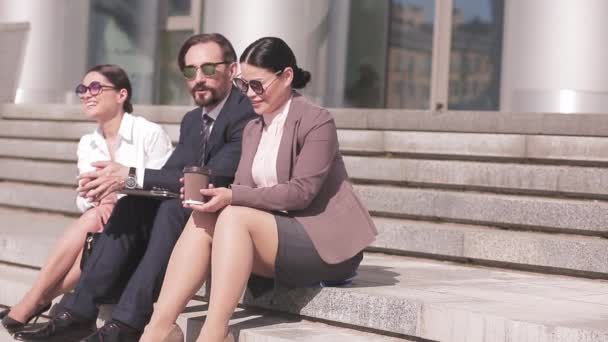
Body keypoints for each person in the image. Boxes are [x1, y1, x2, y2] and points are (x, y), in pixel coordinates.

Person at [14, 33, 256, 342]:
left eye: (209, 69)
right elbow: (172, 173)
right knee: (132, 203)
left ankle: (127, 324)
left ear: (233, 69)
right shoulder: (194, 120)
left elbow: (213, 178)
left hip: (237, 215)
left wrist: (128, 175)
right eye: (189, 71)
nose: (198, 79)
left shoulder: (245, 112)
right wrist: (121, 183)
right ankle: (77, 313)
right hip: (196, 208)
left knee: (168, 207)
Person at [140, 37, 378, 342]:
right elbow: (243, 188)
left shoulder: (317, 121)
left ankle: (214, 333)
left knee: (234, 215)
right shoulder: (254, 128)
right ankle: (159, 327)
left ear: (287, 76)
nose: (249, 94)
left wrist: (233, 196)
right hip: (273, 236)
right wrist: (218, 198)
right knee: (204, 216)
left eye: (257, 85)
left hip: (324, 244)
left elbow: (301, 192)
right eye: (243, 85)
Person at [0, 64, 173, 335]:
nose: (86, 95)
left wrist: (114, 201)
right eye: (82, 89)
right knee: (93, 216)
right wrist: (100, 203)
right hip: (106, 228)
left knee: (98, 218)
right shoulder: (87, 143)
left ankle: (34, 300)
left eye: (95, 87)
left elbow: (164, 189)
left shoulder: (149, 133)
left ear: (121, 94)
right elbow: (85, 197)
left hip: (144, 230)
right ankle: (38, 301)